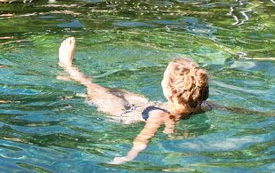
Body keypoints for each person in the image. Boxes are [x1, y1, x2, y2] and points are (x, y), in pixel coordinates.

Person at [58, 37, 208, 164]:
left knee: (94, 87)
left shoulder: (159, 116)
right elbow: (226, 108)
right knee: (127, 94)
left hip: (123, 114)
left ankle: (67, 65)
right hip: (144, 106)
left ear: (170, 91)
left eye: (163, 78)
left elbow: (143, 139)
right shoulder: (200, 106)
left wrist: (127, 157)